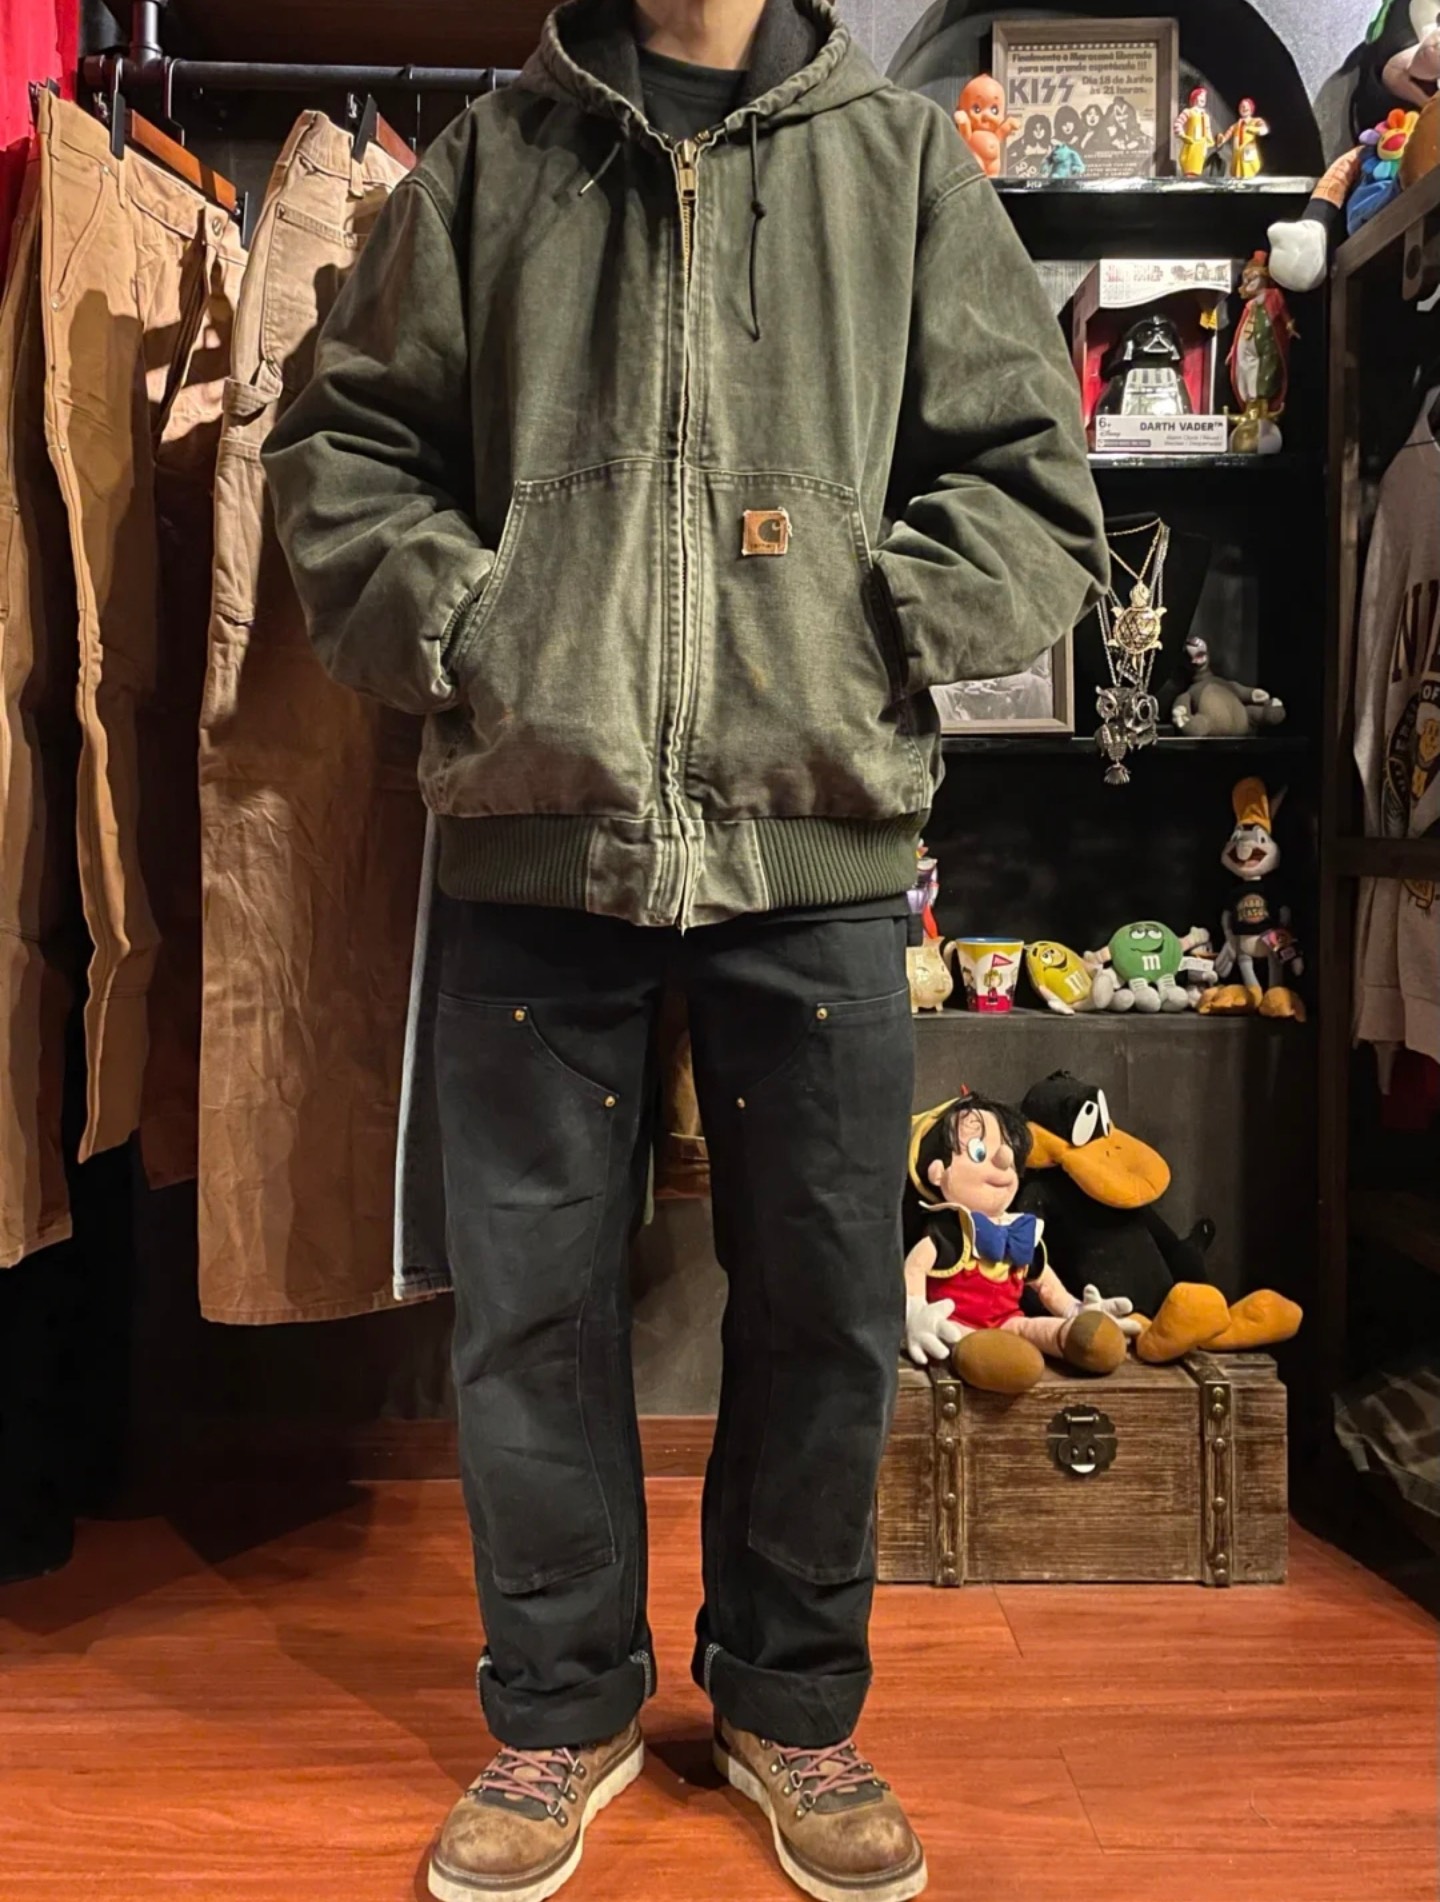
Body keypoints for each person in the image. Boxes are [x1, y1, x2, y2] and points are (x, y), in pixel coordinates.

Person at [264, 1, 1106, 1897]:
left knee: (824, 1301)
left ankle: (791, 1703)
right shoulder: (493, 161)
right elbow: (339, 447)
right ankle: (559, 1710)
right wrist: (476, 623)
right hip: (534, 833)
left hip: (815, 834)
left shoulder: (897, 163)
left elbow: (1029, 475)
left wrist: (871, 626)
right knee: (528, 1312)